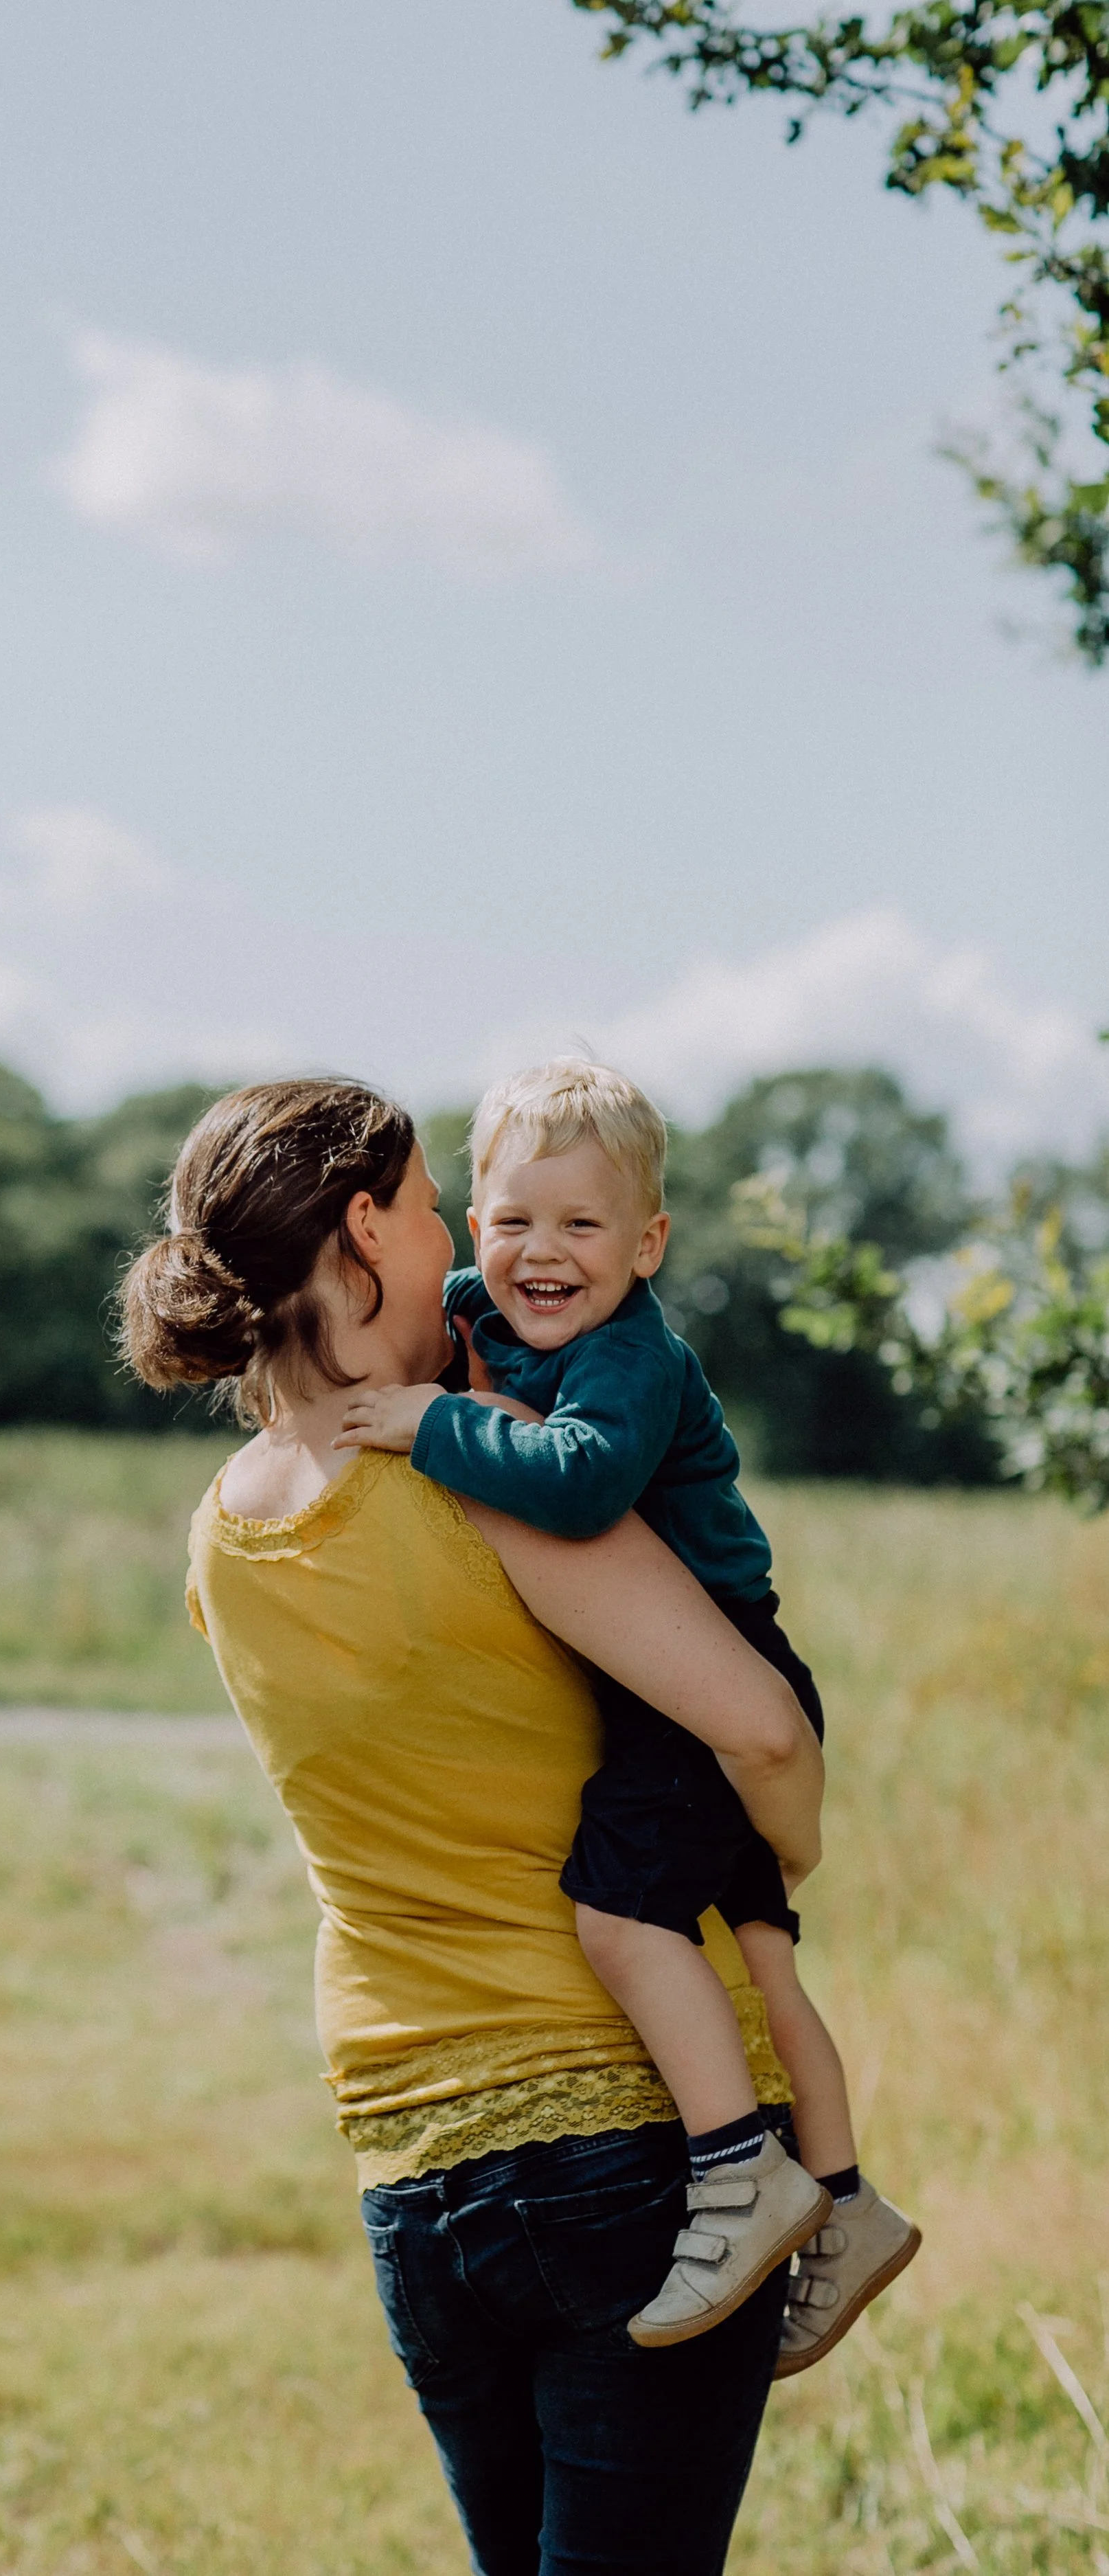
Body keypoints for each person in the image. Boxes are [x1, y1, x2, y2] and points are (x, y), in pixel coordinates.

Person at [118, 1076, 827, 2576]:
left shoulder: (222, 1532)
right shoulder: (488, 1466)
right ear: (366, 1228)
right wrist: (788, 1852)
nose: (462, 1245)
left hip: (408, 2160)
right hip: (635, 2145)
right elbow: (761, 1727)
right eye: (439, 1207)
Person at [334, 1060, 920, 2367]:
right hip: (691, 1674)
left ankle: (738, 2171)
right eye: (511, 1221)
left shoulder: (630, 1357)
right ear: (473, 1226)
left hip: (702, 1678)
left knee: (617, 1917)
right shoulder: (491, 1302)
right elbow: (442, 1307)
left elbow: (584, 1481)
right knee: (761, 1958)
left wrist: (434, 1422)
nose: (540, 1253)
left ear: (648, 1244)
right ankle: (846, 2202)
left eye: (582, 1225)